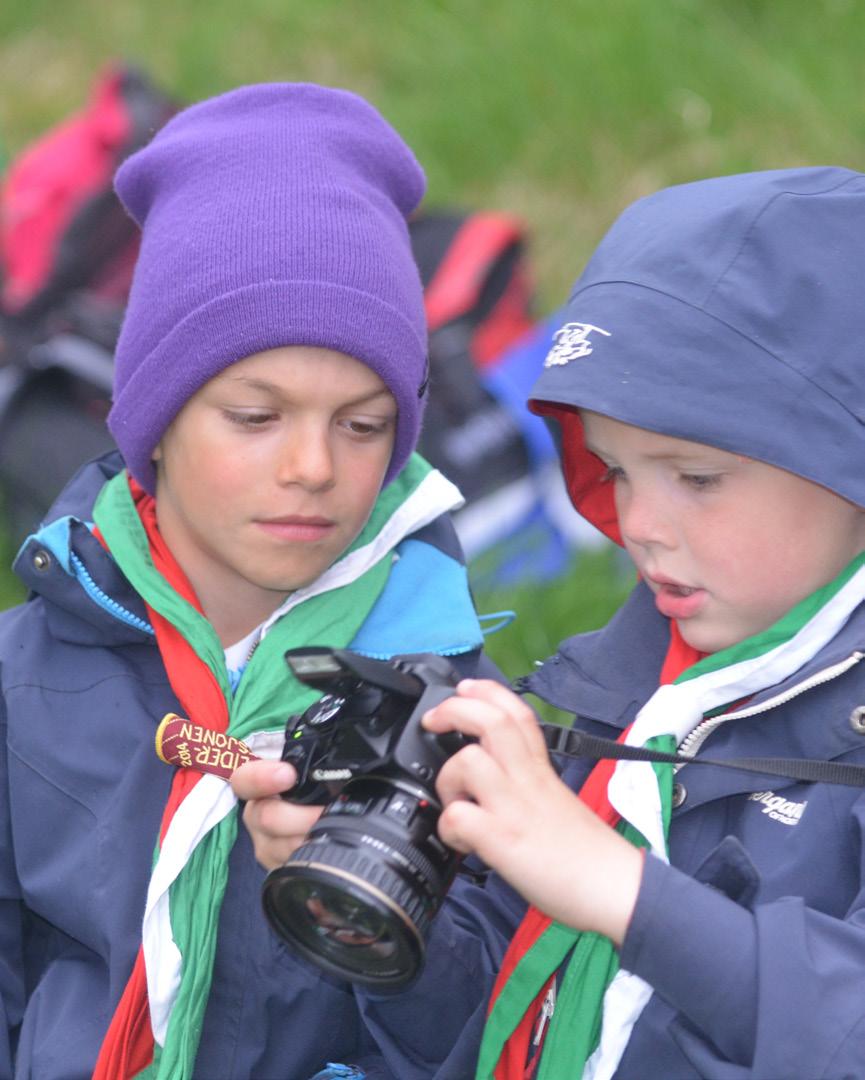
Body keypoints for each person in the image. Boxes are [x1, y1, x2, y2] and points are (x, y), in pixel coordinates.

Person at [237, 165, 865, 1079]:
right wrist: (382, 916)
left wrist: (621, 893)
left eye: (694, 477)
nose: (638, 525)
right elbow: (476, 1034)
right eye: (613, 470)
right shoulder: (603, 700)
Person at [0, 83, 502, 1080]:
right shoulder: (25, 677)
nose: (312, 466)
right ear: (154, 419)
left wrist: (383, 934)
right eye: (254, 415)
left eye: (361, 425)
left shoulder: (453, 716)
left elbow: (480, 1031)